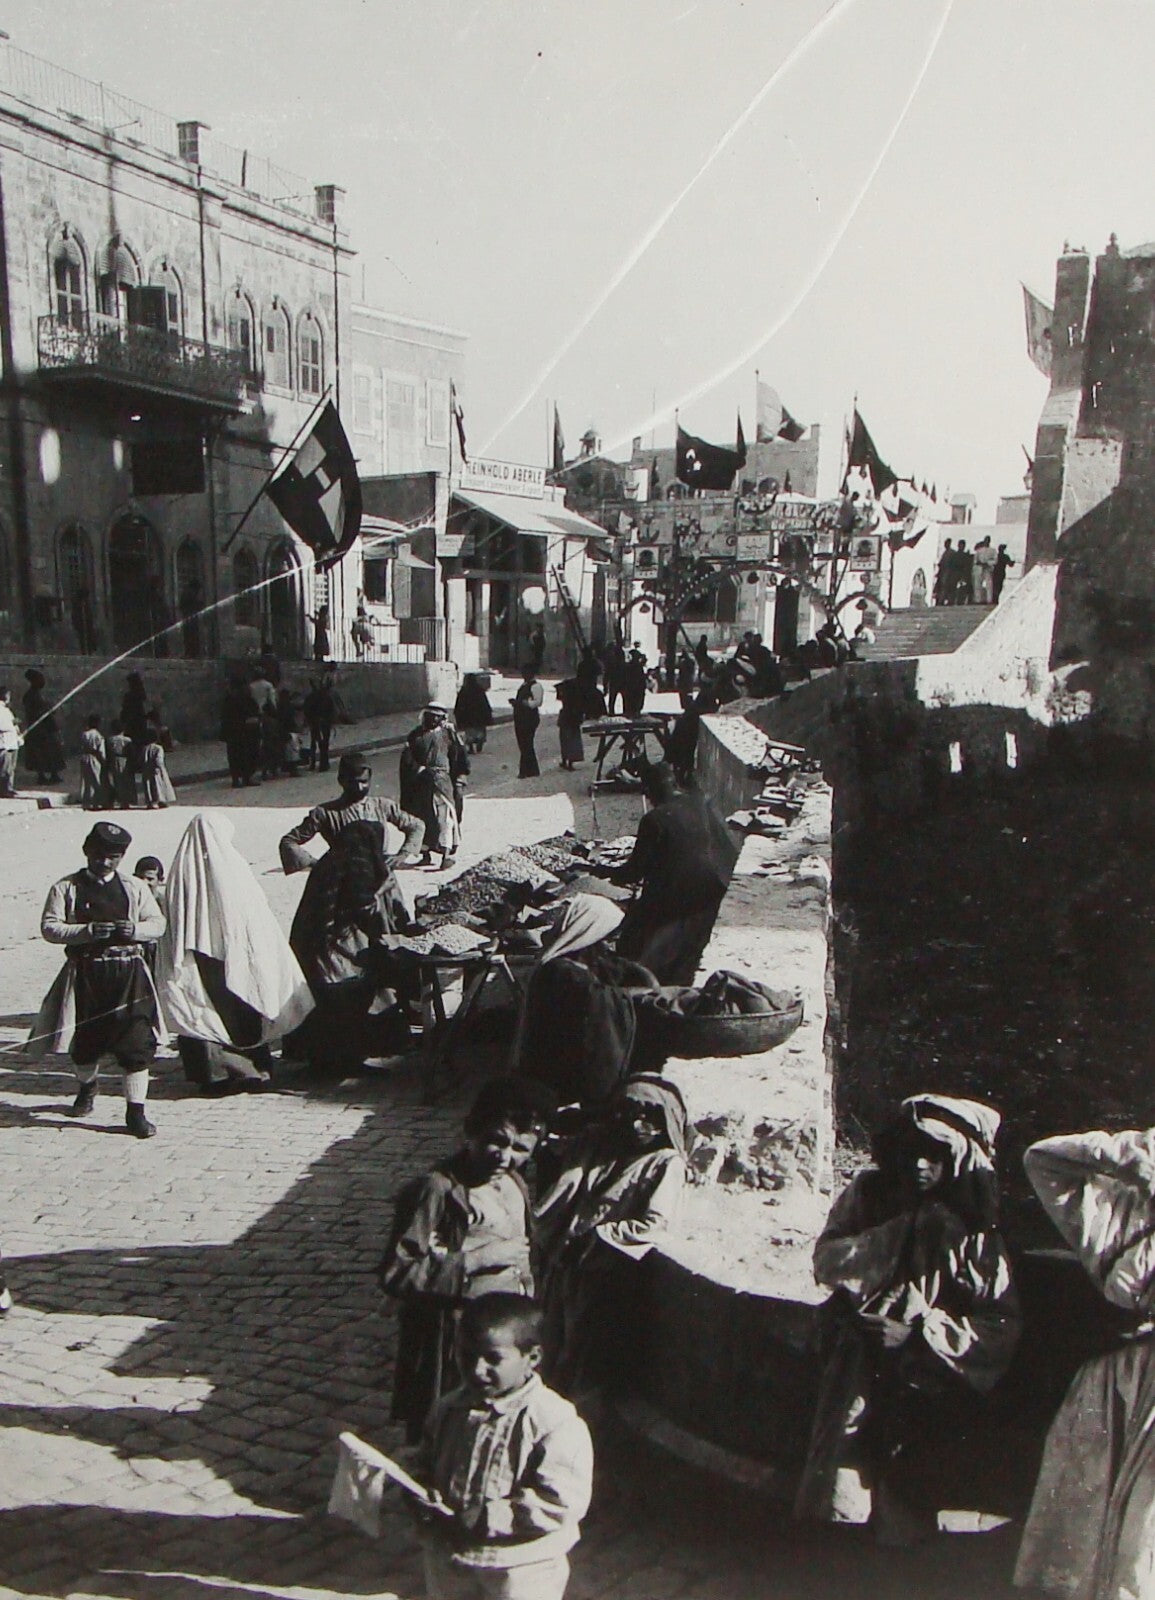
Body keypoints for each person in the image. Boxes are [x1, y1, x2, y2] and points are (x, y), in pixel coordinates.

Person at [794, 1094, 1021, 1545]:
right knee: (842, 1484)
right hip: (856, 1361)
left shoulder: (975, 1231)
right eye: (912, 1152)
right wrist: (898, 1234)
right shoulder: (871, 1195)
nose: (919, 1165)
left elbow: (999, 1326)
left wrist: (920, 1333)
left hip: (927, 1377)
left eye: (934, 1155)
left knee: (907, 1504)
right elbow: (827, 1259)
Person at [1015, 1128, 1155, 1600]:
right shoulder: (1119, 1208)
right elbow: (1042, 1159)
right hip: (1117, 1374)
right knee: (1089, 1518)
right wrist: (1128, 1155)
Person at [379, 1077, 552, 1442]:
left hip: (504, 1342)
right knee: (444, 1431)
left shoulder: (514, 1184)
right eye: (496, 1141)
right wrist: (475, 1259)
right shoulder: (439, 1190)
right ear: (471, 1130)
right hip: (454, 1344)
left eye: (520, 1148)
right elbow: (398, 1271)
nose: (505, 1157)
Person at [411, 1293, 594, 1600]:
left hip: (520, 1567)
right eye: (466, 1355)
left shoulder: (553, 1420)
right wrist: (420, 1486)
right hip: (453, 1555)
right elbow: (425, 1457)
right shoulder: (449, 1409)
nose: (477, 1369)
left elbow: (560, 1502)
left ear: (532, 1358)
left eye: (493, 1359)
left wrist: (489, 1517)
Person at [535, 1075, 691, 1400]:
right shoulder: (600, 1146)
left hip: (604, 1272)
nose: (637, 1125)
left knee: (583, 1352)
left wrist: (600, 1234)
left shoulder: (665, 1164)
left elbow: (654, 1224)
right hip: (566, 1262)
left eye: (649, 1118)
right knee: (548, 1340)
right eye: (630, 1114)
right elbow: (559, 1148)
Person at [158, 814, 314, 1097]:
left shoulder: (181, 873)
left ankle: (216, 1075)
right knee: (242, 1007)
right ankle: (251, 1070)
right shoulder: (233, 867)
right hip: (232, 954)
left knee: (205, 1010)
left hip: (200, 957)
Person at [28, 821, 166, 1139]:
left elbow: (157, 923)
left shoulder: (134, 887)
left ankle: (135, 1113)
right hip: (87, 974)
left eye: (113, 857)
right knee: (86, 1044)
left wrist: (136, 930)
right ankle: (87, 1086)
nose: (105, 862)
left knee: (136, 1042)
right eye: (99, 855)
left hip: (129, 973)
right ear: (86, 852)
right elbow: (50, 927)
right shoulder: (66, 888)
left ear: (122, 857)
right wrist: (86, 932)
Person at [288, 819, 419, 1075]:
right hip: (329, 944)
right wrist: (383, 890)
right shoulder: (354, 865)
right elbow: (363, 906)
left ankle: (324, 1058)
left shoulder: (332, 860)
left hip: (312, 939)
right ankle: (345, 1061)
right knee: (347, 997)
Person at [514, 894, 656, 1108]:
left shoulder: (588, 962)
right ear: (589, 936)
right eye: (606, 939)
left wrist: (639, 973)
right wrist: (634, 993)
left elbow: (622, 970)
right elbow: (598, 998)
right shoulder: (559, 972)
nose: (610, 947)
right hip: (558, 1074)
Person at [610, 763, 738, 985]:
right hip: (711, 888)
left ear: (649, 791)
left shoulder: (654, 819)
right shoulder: (698, 803)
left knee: (630, 936)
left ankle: (634, 980)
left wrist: (605, 873)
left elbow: (633, 873)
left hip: (677, 896)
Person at [279, 750, 424, 874]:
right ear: (341, 781)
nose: (360, 787)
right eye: (354, 782)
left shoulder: (382, 806)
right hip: (344, 883)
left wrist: (402, 855)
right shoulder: (325, 813)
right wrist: (315, 864)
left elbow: (416, 825)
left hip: (380, 881)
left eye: (364, 781)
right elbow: (288, 841)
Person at [408, 705, 462, 868]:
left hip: (439, 782)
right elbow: (409, 759)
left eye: (436, 716)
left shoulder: (446, 734)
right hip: (427, 782)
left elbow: (457, 756)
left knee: (442, 818)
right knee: (430, 818)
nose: (433, 719)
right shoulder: (417, 736)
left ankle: (442, 855)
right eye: (430, 716)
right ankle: (430, 854)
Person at [21, 669, 64, 783]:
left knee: (52, 752)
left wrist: (49, 709)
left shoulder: (38, 694)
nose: (42, 681)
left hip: (47, 728)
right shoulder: (30, 696)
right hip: (39, 730)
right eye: (40, 679)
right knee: (41, 753)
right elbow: (32, 713)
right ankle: (42, 776)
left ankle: (54, 774)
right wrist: (46, 710)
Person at [220, 674, 259, 788]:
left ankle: (243, 778)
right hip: (239, 732)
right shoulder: (235, 699)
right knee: (239, 755)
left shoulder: (243, 699)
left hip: (243, 732)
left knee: (242, 755)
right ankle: (240, 778)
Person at [511, 666, 543, 780]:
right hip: (520, 718)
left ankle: (524, 770)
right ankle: (532, 769)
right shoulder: (524, 685)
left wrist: (525, 703)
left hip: (529, 718)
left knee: (526, 744)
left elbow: (538, 702)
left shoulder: (536, 686)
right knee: (524, 744)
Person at [139, 712, 176, 809]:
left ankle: (150, 802)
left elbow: (141, 759)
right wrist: (160, 768)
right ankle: (161, 800)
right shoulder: (158, 748)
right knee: (159, 785)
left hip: (147, 770)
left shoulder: (144, 748)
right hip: (156, 770)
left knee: (149, 786)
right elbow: (159, 760)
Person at [303, 672, 337, 773]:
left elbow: (306, 710)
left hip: (316, 722)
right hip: (323, 722)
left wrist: (309, 720)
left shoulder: (311, 697)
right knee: (324, 743)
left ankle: (314, 763)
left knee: (315, 743)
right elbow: (332, 710)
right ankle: (323, 763)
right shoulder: (326, 697)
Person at [454, 674, 493, 755]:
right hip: (479, 717)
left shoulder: (463, 691)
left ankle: (471, 747)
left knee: (469, 733)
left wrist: (458, 716)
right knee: (480, 731)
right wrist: (488, 715)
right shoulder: (480, 690)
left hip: (468, 717)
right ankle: (480, 743)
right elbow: (485, 704)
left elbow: (459, 705)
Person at [555, 679, 585, 772]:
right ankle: (570, 762)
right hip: (574, 720)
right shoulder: (577, 696)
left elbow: (559, 698)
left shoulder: (566, 696)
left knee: (565, 740)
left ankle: (565, 760)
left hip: (566, 719)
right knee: (573, 741)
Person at [78, 715, 107, 810]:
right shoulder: (98, 736)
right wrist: (103, 761)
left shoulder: (84, 734)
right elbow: (101, 751)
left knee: (86, 781)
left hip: (84, 757)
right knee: (96, 781)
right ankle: (96, 803)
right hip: (94, 758)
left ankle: (86, 803)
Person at [106, 722, 137, 808]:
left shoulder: (110, 740)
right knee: (126, 781)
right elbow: (131, 751)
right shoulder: (127, 740)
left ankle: (117, 800)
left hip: (113, 760)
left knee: (116, 781)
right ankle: (126, 801)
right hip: (125, 759)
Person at [0, 686, 21, 798]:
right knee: (5, 768)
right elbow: (2, 725)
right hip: (4, 742)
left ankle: (9, 787)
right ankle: (3, 790)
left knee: (11, 768)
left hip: (12, 741)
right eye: (7, 695)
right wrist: (12, 724)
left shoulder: (7, 709)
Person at [621, 648, 648, 718]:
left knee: (633, 702)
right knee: (635, 702)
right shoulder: (636, 667)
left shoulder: (630, 666)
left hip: (632, 688)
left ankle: (632, 712)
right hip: (633, 688)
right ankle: (634, 712)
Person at [602, 639, 626, 715]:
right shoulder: (624, 666)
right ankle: (624, 711)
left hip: (614, 682)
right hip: (621, 682)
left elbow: (606, 675)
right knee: (624, 698)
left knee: (612, 699)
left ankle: (611, 712)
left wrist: (605, 686)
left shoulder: (611, 664)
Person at [973, 535, 997, 604]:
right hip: (979, 569)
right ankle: (978, 600)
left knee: (989, 585)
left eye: (988, 540)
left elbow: (995, 561)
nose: (987, 542)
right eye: (986, 540)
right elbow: (975, 560)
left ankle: (989, 600)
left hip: (988, 569)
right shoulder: (979, 550)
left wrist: (987, 563)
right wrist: (980, 563)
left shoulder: (993, 550)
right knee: (978, 585)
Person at [932, 538, 955, 607]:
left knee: (945, 587)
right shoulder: (945, 553)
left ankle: (945, 600)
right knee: (941, 587)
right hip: (943, 572)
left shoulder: (951, 553)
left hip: (948, 572)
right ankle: (940, 600)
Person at [954, 538, 974, 605]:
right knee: (955, 588)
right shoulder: (955, 555)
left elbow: (968, 566)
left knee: (963, 589)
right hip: (956, 574)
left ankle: (961, 600)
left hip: (963, 574)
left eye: (962, 545)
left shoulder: (966, 555)